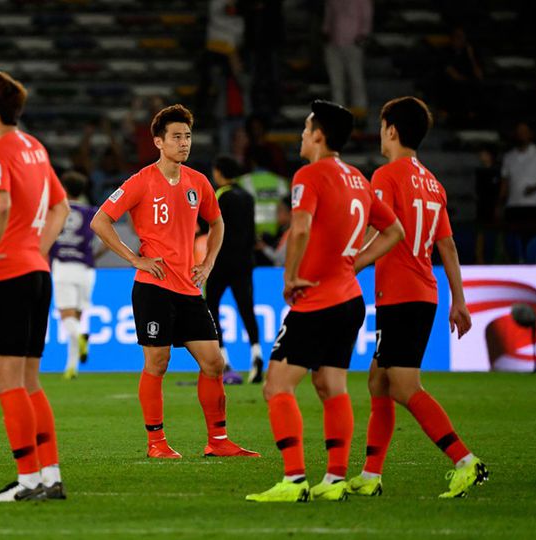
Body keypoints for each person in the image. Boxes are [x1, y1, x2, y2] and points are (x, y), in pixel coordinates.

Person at [246, 100, 403, 503]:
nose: (300, 135)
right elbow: (394, 231)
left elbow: (299, 227)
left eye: (304, 128)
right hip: (350, 299)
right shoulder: (358, 178)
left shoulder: (309, 174)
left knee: (277, 386)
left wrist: (289, 275)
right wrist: (355, 264)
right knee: (331, 384)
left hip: (316, 300)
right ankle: (334, 480)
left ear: (318, 135)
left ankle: (294, 479)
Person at [91, 104, 259, 459]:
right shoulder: (140, 181)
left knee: (213, 363)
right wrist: (135, 258)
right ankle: (156, 443)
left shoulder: (198, 182)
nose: (184, 143)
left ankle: (218, 441)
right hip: (153, 286)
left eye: (187, 136)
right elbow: (101, 221)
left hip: (188, 287)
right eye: (177, 137)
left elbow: (218, 223)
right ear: (158, 142)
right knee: (158, 363)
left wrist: (209, 262)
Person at [347, 97, 488, 499]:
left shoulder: (387, 176)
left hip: (402, 295)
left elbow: (381, 233)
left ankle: (465, 460)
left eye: (380, 126)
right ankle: (371, 476)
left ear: (390, 129)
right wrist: (458, 299)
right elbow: (448, 247)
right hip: (422, 292)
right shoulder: (433, 182)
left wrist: (351, 264)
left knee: (405, 386)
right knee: (379, 380)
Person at [0, 71, 70, 502]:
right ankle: (50, 475)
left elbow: (2, 203)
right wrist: (37, 248)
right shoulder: (35, 147)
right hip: (37, 271)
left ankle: (28, 480)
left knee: (6, 378)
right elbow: (61, 206)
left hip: (9, 274)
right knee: (30, 380)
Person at [206, 155, 264, 383]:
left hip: (221, 262)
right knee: (246, 309)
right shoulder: (248, 197)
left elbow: (210, 226)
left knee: (211, 307)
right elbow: (251, 232)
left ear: (219, 172)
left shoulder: (220, 195)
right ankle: (257, 355)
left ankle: (224, 360)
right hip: (244, 262)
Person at [51, 171, 98, 380]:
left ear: (64, 188)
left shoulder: (57, 211)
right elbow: (105, 239)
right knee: (77, 317)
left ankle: (80, 336)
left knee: (67, 318)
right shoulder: (91, 213)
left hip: (64, 266)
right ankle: (71, 368)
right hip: (86, 269)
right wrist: (93, 254)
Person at [499, 122, 536, 258]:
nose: (521, 135)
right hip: (514, 206)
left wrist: (534, 188)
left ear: (530, 134)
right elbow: (505, 183)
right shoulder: (509, 157)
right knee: (513, 243)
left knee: (533, 242)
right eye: (519, 132)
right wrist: (499, 204)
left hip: (535, 206)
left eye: (524, 131)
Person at [323, 0, 371, 116]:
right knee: (336, 81)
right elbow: (329, 15)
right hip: (334, 43)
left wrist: (362, 35)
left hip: (353, 43)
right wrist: (326, 31)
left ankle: (360, 112)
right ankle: (338, 113)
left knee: (356, 79)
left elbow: (367, 16)